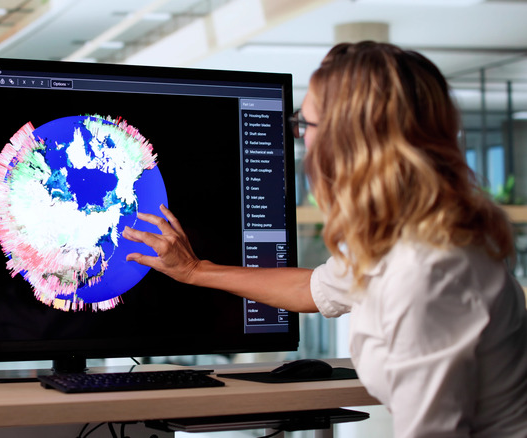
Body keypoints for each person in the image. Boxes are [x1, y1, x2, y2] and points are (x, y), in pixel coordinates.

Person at [122, 41, 527, 437]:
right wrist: (194, 271)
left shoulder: (424, 274)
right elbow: (312, 288)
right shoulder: (408, 238)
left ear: (349, 142)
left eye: (305, 125)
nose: (302, 139)